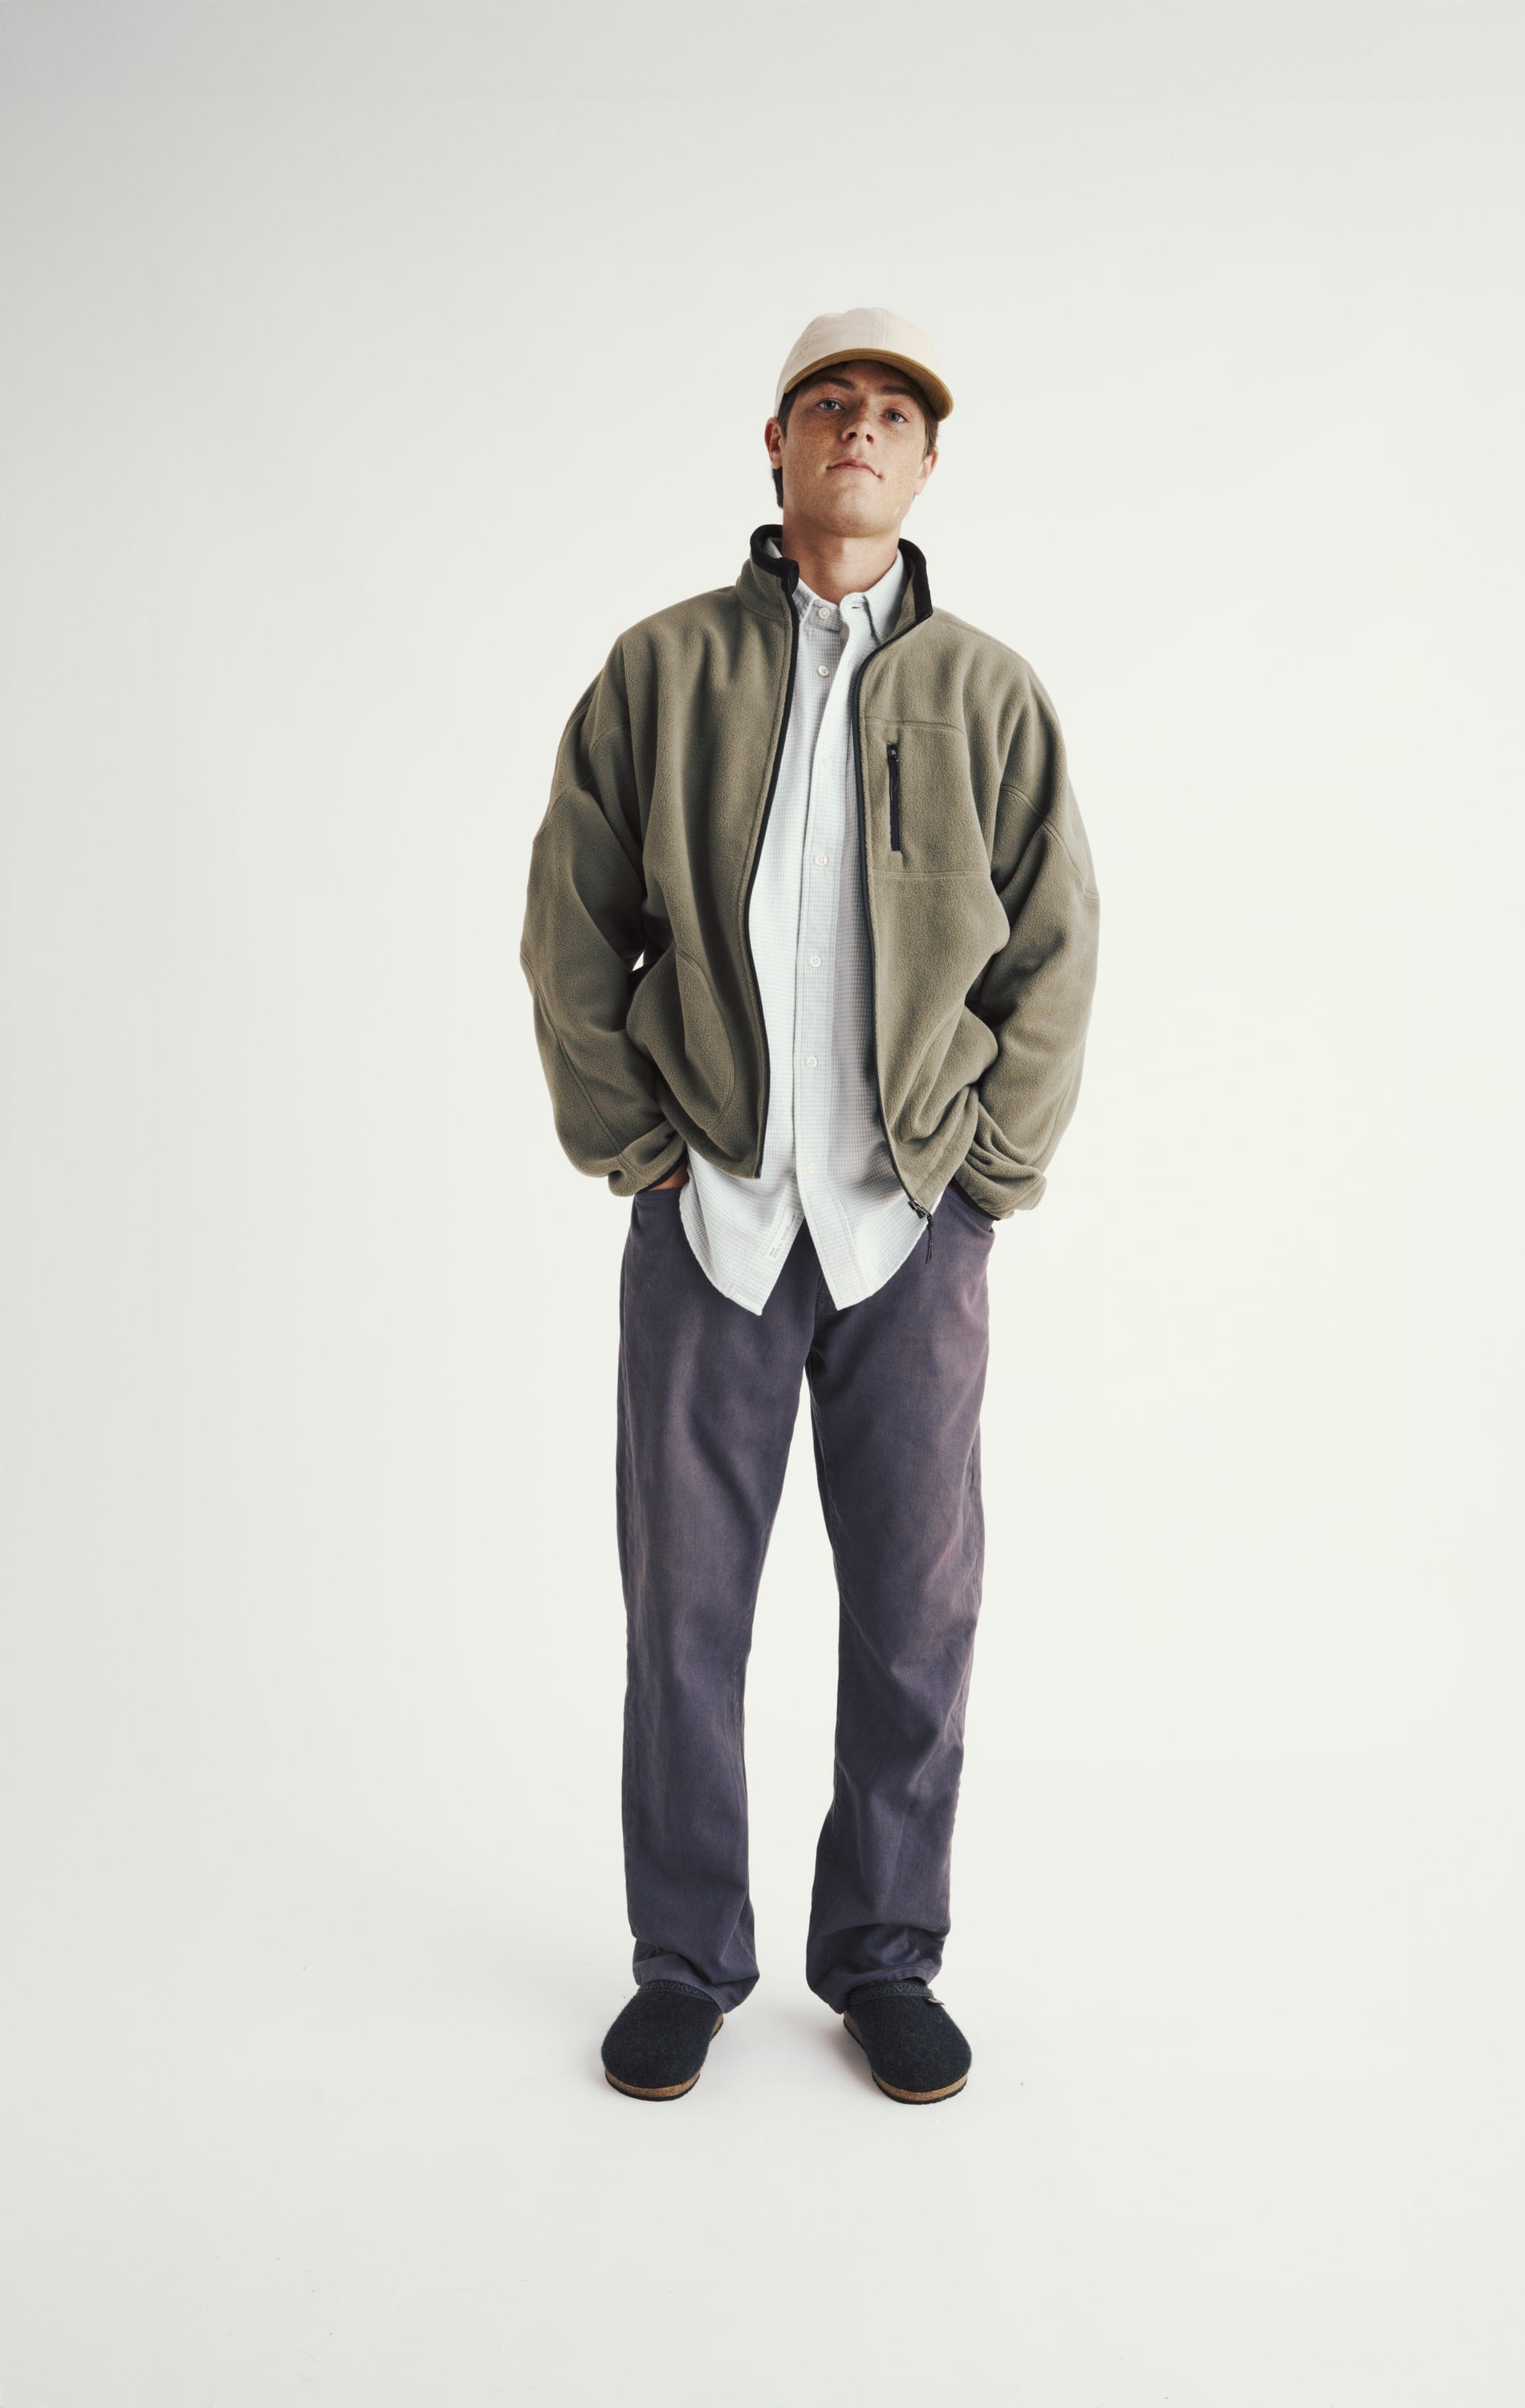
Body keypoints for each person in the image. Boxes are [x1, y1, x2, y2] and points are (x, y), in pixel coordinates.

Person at [519, 307, 1100, 2104]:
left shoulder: (989, 692)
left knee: (916, 1613)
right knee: (683, 1612)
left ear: (926, 464)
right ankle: (685, 1961)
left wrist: (983, 1177)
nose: (861, 428)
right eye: (828, 404)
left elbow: (1056, 945)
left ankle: (884, 1957)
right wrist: (638, 1146)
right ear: (773, 445)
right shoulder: (662, 669)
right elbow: (571, 921)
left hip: (908, 1224)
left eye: (894, 414)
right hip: (709, 1218)